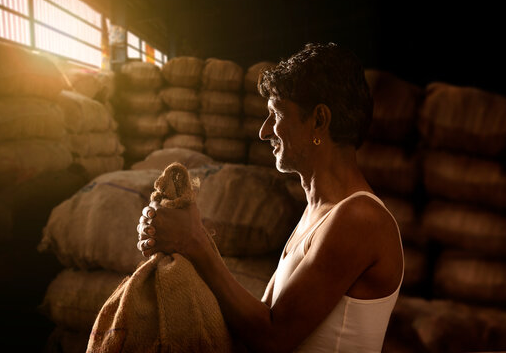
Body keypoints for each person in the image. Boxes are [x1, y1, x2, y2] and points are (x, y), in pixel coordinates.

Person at [137, 42, 404, 352]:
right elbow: (260, 316)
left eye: (276, 114)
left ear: (319, 121)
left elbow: (271, 336)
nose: (264, 132)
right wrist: (181, 237)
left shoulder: (359, 219)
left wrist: (194, 241)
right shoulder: (318, 214)